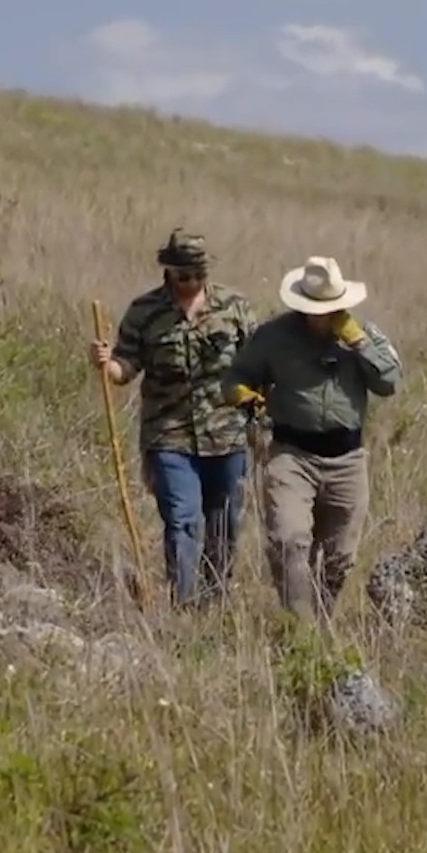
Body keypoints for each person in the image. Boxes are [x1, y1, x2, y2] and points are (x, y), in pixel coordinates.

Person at [222, 255, 402, 628]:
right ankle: (300, 629)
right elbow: (236, 376)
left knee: (340, 557)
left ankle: (322, 622)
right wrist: (245, 396)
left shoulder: (363, 334)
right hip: (291, 455)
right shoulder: (273, 337)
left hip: (347, 460)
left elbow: (390, 383)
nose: (323, 315)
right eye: (315, 308)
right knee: (289, 541)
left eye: (331, 307)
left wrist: (360, 345)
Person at [89, 227, 262, 610]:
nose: (192, 282)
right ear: (168, 271)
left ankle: (212, 606)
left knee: (224, 526)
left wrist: (261, 416)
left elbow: (258, 365)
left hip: (227, 437)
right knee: (183, 521)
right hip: (170, 437)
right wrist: (107, 364)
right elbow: (125, 368)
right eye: (184, 275)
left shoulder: (234, 307)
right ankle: (182, 605)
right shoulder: (145, 312)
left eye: (198, 274)